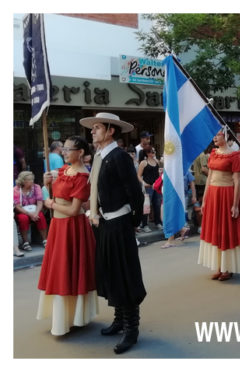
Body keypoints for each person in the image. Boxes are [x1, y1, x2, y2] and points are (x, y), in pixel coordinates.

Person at [81, 112, 146, 354]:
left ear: (110, 131)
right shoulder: (99, 157)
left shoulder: (119, 157)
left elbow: (135, 194)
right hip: (104, 224)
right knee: (110, 273)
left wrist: (133, 222)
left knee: (125, 276)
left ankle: (132, 329)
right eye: (93, 127)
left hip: (120, 224)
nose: (92, 131)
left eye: (97, 127)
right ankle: (119, 319)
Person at [36, 136, 98, 336]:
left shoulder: (82, 176)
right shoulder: (63, 170)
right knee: (59, 271)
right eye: (63, 148)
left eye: (68, 149)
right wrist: (47, 186)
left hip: (72, 228)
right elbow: (55, 194)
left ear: (80, 152)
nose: (64, 151)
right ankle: (63, 317)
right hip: (58, 227)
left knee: (69, 271)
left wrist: (51, 204)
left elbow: (73, 210)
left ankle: (75, 318)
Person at [198, 128, 240, 281]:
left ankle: (228, 267)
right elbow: (209, 178)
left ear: (226, 136)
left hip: (227, 195)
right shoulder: (213, 153)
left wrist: (235, 204)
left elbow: (237, 181)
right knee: (216, 230)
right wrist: (205, 199)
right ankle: (219, 266)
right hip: (213, 194)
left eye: (217, 135)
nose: (214, 137)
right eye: (214, 135)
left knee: (227, 230)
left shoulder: (235, 155)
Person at [14, 171, 47, 256]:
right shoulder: (16, 189)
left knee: (40, 216)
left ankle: (44, 239)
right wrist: (30, 214)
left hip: (34, 209)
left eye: (32, 179)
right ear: (23, 181)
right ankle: (25, 242)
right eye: (29, 180)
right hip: (22, 211)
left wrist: (35, 213)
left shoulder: (36, 187)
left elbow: (40, 202)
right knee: (23, 218)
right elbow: (17, 206)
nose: (32, 181)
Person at [136, 147, 162, 232]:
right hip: (147, 187)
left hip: (156, 186)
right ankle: (145, 224)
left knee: (157, 204)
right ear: (148, 153)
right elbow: (139, 175)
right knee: (146, 206)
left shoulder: (157, 161)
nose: (154, 152)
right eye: (152, 151)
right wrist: (143, 183)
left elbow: (159, 173)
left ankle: (158, 222)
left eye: (154, 151)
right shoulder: (144, 163)